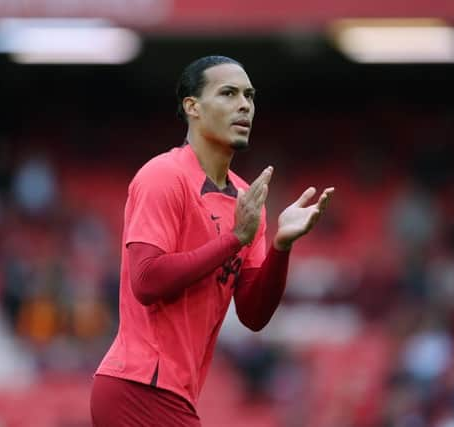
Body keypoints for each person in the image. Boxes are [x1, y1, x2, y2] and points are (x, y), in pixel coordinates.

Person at [90, 55, 334, 426]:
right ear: (193, 108)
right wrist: (235, 238)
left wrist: (281, 247)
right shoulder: (163, 176)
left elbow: (253, 314)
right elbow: (146, 280)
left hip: (174, 393)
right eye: (228, 93)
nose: (244, 105)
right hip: (140, 386)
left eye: (250, 96)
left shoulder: (246, 199)